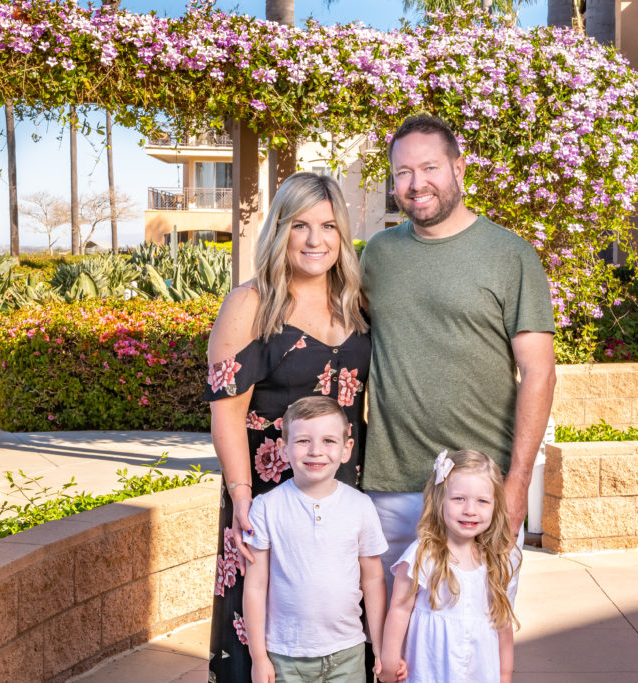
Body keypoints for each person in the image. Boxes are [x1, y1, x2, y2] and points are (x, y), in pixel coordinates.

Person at [360, 114, 556, 593]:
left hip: (478, 490)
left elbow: (539, 374)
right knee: (395, 648)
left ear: (459, 169)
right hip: (392, 487)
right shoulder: (378, 255)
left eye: (429, 168)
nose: (416, 183)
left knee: (473, 646)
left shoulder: (510, 255)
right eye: (403, 172)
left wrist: (514, 487)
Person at [204, 172, 371, 681]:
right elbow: (226, 411)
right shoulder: (249, 304)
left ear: (342, 233)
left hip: (340, 488)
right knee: (264, 625)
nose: (315, 240)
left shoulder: (356, 302)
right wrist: (240, 495)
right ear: (280, 229)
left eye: (328, 226)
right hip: (267, 492)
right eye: (301, 225)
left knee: (336, 619)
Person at [242, 396, 388, 683]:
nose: (316, 451)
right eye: (303, 441)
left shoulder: (360, 506)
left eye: (329, 441)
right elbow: (256, 586)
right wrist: (258, 657)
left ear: (347, 450)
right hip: (285, 655)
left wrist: (381, 649)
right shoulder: (266, 507)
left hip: (347, 652)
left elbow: (373, 580)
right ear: (283, 449)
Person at [379, 450, 521, 683]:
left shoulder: (494, 560)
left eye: (482, 501)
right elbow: (399, 610)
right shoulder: (423, 554)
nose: (470, 510)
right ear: (439, 500)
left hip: (480, 670)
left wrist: (504, 676)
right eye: (459, 499)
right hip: (430, 668)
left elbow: (503, 625)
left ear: (496, 506)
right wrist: (389, 664)